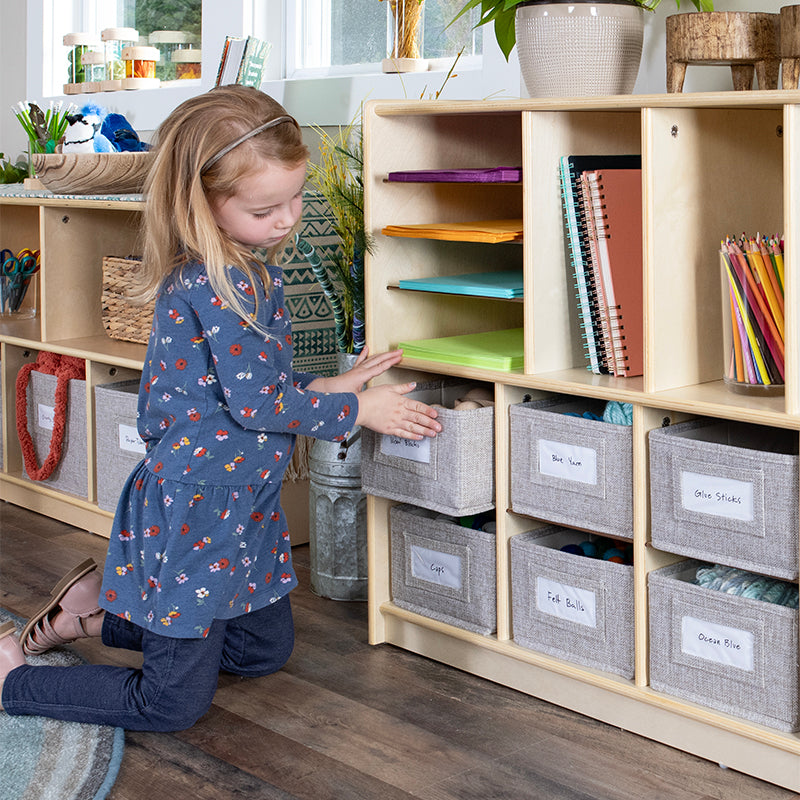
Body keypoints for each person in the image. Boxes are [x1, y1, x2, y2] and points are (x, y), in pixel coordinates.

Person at [0, 85, 441, 731]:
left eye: (295, 197)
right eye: (266, 208)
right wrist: (356, 413)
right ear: (202, 203)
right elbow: (260, 402)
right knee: (172, 705)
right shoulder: (220, 280)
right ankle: (13, 679)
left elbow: (252, 390)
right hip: (200, 506)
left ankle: (97, 615)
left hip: (245, 496)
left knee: (261, 652)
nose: (288, 219)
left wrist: (333, 386)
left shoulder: (248, 272)